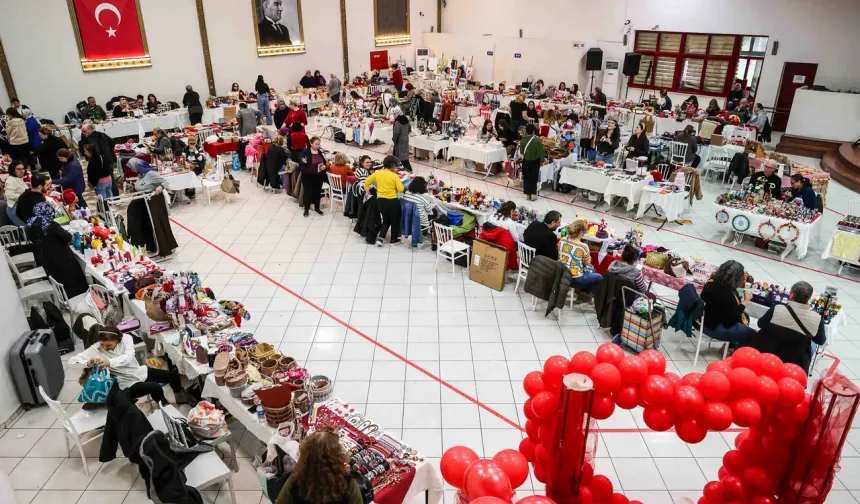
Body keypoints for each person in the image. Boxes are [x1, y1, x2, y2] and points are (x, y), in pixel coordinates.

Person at [69, 326, 187, 405]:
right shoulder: (95, 349)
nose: (104, 348)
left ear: (117, 340)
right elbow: (72, 362)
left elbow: (129, 357)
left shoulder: (126, 338)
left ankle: (181, 398)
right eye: (102, 344)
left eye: (108, 345)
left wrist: (109, 362)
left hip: (137, 372)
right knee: (155, 387)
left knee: (172, 376)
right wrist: (87, 363)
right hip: (123, 384)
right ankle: (165, 407)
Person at [273, 427, 364, 504]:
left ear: (306, 456)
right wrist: (345, 475)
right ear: (336, 458)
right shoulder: (348, 484)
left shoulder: (295, 479)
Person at [751, 281, 825, 372]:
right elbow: (821, 341)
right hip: (793, 362)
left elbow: (760, 324)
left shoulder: (777, 308)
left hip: (766, 353)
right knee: (812, 344)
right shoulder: (817, 319)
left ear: (792, 295)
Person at [25, 201, 90, 298]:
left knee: (57, 279)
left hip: (45, 256)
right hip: (61, 256)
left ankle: (63, 297)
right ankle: (78, 297)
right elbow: (67, 237)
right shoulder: (51, 225)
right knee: (71, 279)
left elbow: (31, 239)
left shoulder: (30, 224)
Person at [700, 260, 756, 346]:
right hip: (713, 328)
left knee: (745, 318)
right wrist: (746, 301)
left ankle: (729, 347)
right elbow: (733, 319)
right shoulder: (727, 295)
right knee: (751, 334)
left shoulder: (710, 283)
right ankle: (737, 353)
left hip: (701, 321)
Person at [364, 155, 405, 245]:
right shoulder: (394, 176)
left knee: (386, 219)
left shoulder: (378, 172)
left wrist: (367, 190)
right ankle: (394, 240)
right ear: (393, 166)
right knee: (394, 220)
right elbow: (401, 189)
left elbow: (367, 180)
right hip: (393, 201)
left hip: (381, 201)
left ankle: (381, 238)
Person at [559, 220, 602, 300]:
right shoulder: (583, 246)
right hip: (574, 279)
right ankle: (589, 296)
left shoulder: (562, 240)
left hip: (561, 273)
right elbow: (587, 262)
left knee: (590, 271)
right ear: (581, 233)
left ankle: (583, 293)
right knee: (598, 276)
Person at [298, 136, 328, 217]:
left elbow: (324, 162)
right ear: (311, 144)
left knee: (317, 192)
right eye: (316, 144)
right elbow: (300, 158)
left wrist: (324, 166)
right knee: (308, 192)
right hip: (307, 176)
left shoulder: (319, 152)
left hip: (318, 176)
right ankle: (306, 209)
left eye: (318, 144)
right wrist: (303, 161)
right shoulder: (306, 151)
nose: (317, 146)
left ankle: (317, 208)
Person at [519, 123, 545, 201]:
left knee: (526, 177)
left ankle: (527, 194)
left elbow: (521, 152)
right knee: (534, 178)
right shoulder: (537, 140)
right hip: (535, 162)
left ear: (526, 131)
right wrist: (542, 161)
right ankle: (533, 194)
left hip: (526, 161)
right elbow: (541, 152)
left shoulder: (523, 140)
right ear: (534, 131)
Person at [4, 160, 28, 226]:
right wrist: (25, 196)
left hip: (21, 207)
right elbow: (9, 195)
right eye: (18, 169)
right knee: (25, 229)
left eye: (23, 169)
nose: (22, 171)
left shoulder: (18, 178)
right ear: (13, 170)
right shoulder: (11, 180)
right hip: (14, 209)